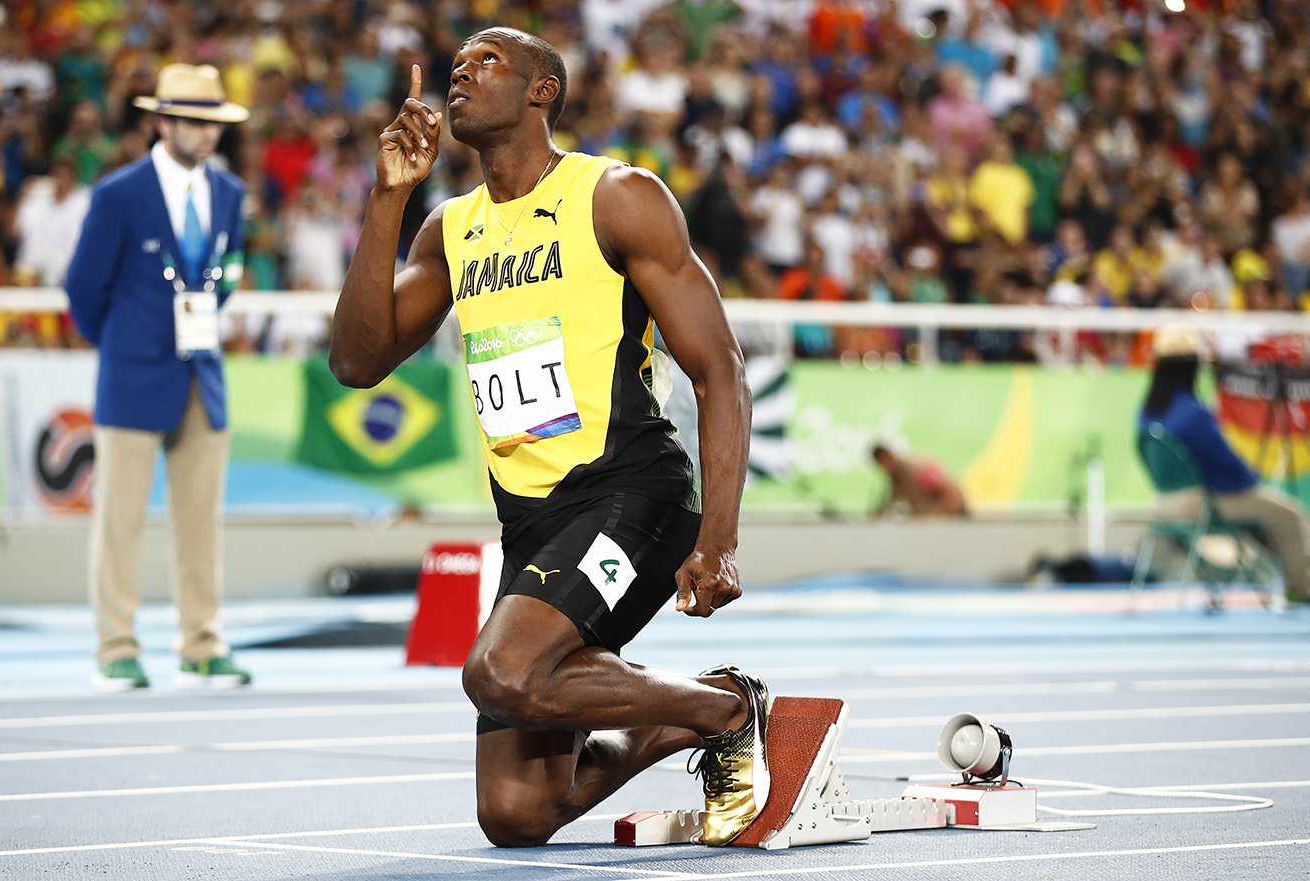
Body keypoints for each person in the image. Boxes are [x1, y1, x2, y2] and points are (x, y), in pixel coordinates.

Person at [329, 29, 766, 848]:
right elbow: (357, 361)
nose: (462, 72)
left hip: (631, 493)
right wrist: (389, 198)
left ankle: (731, 715)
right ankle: (702, 705)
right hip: (531, 522)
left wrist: (720, 540)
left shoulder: (616, 196)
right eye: (456, 66)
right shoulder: (451, 229)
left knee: (501, 670)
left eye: (487, 60)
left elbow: (720, 371)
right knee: (517, 811)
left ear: (544, 91)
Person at [65, 63, 253, 691]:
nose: (208, 134)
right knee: (118, 521)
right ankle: (115, 647)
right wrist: (125, 344)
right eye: (196, 122)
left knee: (201, 524)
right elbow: (83, 289)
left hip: (203, 374)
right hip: (133, 374)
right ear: (163, 123)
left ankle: (201, 644)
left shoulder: (229, 192)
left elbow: (227, 274)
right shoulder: (118, 194)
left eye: (214, 123)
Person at [1139, 326, 1309, 605]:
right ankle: (1300, 590)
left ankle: (1264, 576)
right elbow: (1227, 469)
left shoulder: (1145, 415)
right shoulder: (1193, 413)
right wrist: (1252, 481)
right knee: (1290, 515)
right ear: (1192, 368)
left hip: (1163, 503)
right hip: (1203, 505)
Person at [870, 444, 969, 519]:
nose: (884, 468)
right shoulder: (896, 480)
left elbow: (951, 494)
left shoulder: (917, 469)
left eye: (884, 462)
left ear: (889, 457)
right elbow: (887, 505)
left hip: (952, 520)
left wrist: (937, 517)